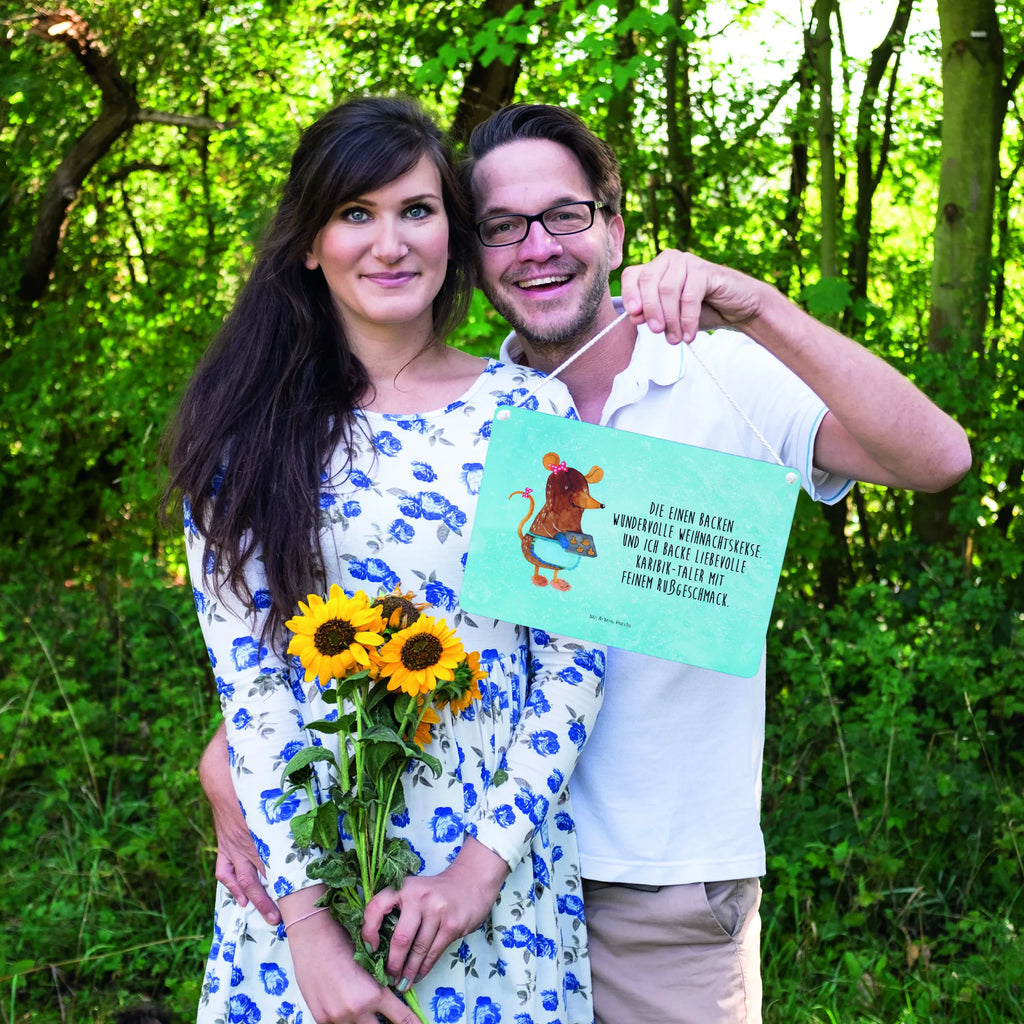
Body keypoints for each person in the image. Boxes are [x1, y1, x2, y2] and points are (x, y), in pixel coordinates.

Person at [202, 102, 972, 1024]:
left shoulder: (705, 375)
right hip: (420, 876)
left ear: (612, 226)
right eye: (502, 226)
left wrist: (760, 306)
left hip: (652, 887)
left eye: (565, 215)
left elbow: (938, 461)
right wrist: (236, 772)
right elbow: (328, 634)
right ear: (474, 251)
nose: (537, 247)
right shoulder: (458, 418)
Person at [165, 97, 609, 1024]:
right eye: (355, 214)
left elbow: (573, 663)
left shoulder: (529, 416)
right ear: (309, 243)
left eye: (416, 210)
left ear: (452, 229)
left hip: (491, 888)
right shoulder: (243, 437)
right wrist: (312, 937)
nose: (390, 242)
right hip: (303, 887)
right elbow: (252, 692)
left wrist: (478, 872)